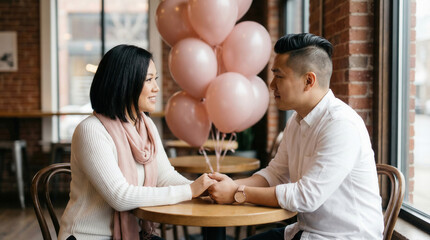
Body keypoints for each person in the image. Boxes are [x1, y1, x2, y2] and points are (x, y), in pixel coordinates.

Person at [207, 33, 384, 240]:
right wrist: (228, 185)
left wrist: (238, 193)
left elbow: (306, 196)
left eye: (279, 76)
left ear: (308, 80)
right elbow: (276, 174)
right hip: (304, 233)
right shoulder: (296, 120)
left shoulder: (341, 124)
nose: (272, 85)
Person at [58, 45, 216, 240]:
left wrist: (203, 189)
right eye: (148, 79)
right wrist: (190, 191)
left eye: (155, 79)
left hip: (136, 234)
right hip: (89, 236)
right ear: (125, 82)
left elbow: (164, 177)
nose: (156, 88)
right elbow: (120, 196)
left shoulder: (145, 124)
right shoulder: (91, 130)